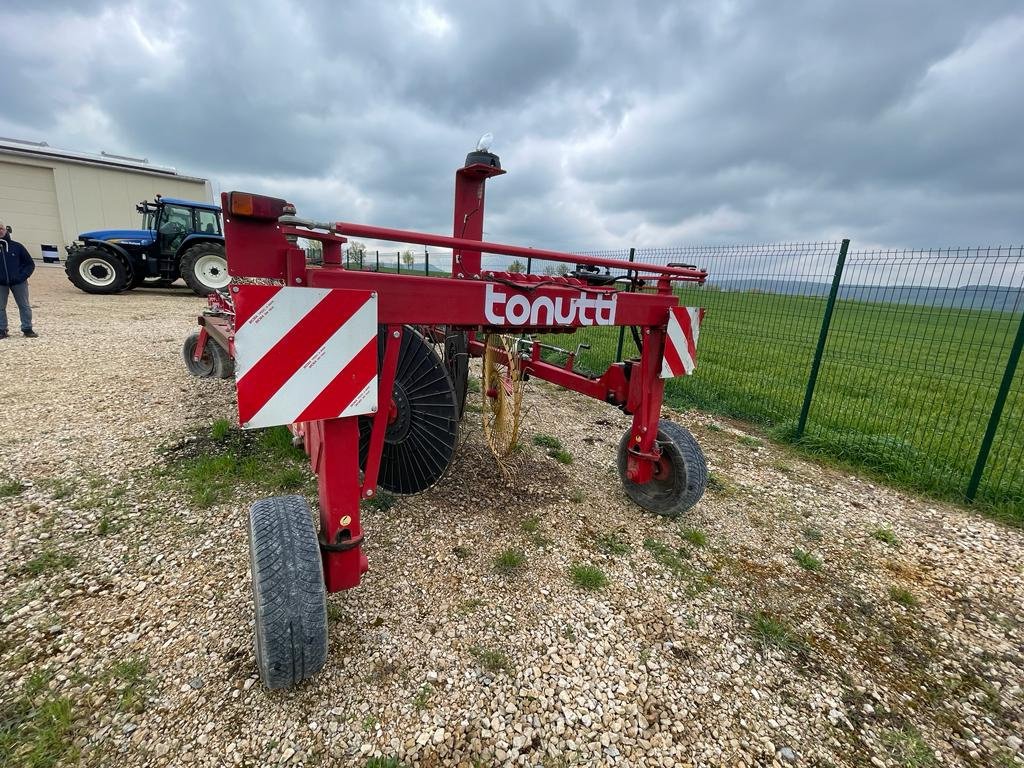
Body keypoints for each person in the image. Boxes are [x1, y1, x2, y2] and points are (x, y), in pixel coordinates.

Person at [0, 220, 37, 338]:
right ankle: (2, 329)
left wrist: (21, 277)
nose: (0, 231)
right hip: (1, 283)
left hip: (19, 283)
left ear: (6, 230)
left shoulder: (17, 246)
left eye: (1, 228)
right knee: (0, 307)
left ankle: (27, 328)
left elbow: (29, 264)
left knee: (24, 305)